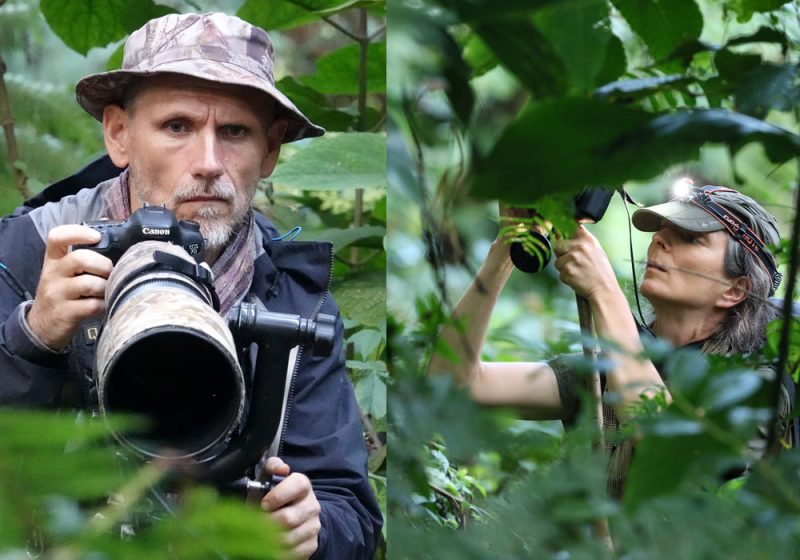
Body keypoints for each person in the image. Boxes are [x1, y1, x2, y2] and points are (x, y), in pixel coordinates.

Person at [0, 12, 381, 559]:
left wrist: (313, 532)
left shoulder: (291, 292)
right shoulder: (29, 250)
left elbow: (350, 509)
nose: (207, 164)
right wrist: (31, 338)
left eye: (235, 132)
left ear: (270, 151)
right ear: (119, 134)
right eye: (177, 126)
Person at [428, 185, 791, 499]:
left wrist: (604, 291)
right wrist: (507, 246)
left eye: (690, 238)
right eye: (662, 229)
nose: (659, 239)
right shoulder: (603, 373)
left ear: (735, 288)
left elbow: (673, 455)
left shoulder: (757, 386)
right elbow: (453, 384)